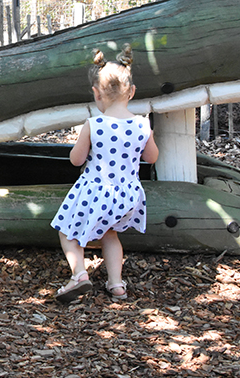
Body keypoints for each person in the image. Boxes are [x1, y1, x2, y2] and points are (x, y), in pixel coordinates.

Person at [50, 44, 159, 302]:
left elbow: (76, 160)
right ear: (131, 91)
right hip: (127, 196)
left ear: (97, 94)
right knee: (110, 234)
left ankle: (79, 274)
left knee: (67, 232)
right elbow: (152, 158)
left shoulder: (94, 124)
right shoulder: (143, 125)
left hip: (95, 190)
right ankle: (117, 285)